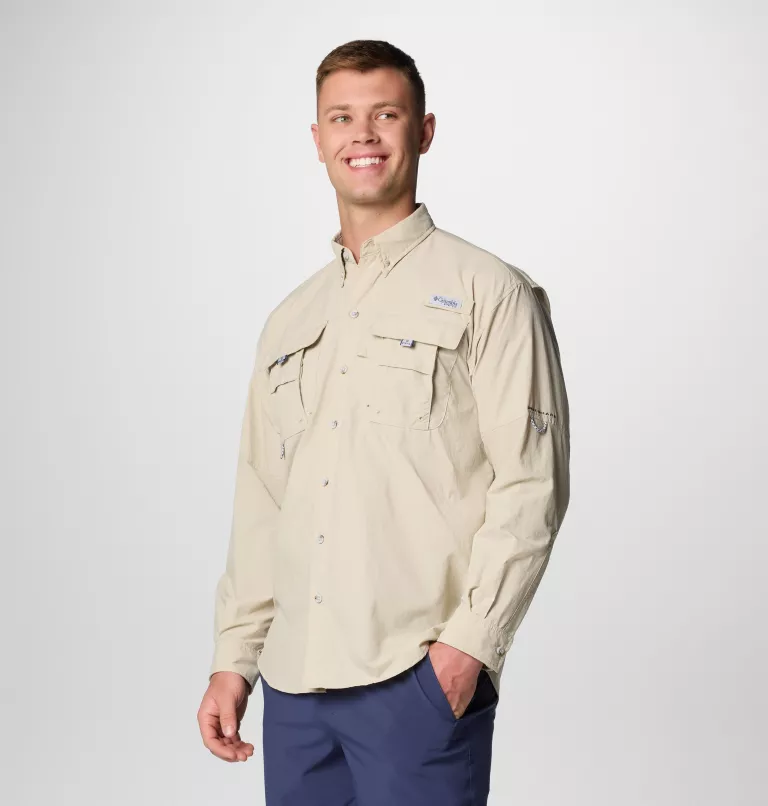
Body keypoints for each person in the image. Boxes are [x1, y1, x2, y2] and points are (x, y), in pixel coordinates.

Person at [197, 38, 571, 806]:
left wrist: (468, 650)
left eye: (386, 115)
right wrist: (234, 660)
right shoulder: (290, 319)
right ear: (317, 140)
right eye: (342, 117)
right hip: (293, 689)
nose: (362, 135)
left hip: (415, 681)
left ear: (423, 131)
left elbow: (532, 485)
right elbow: (263, 501)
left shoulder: (490, 292)